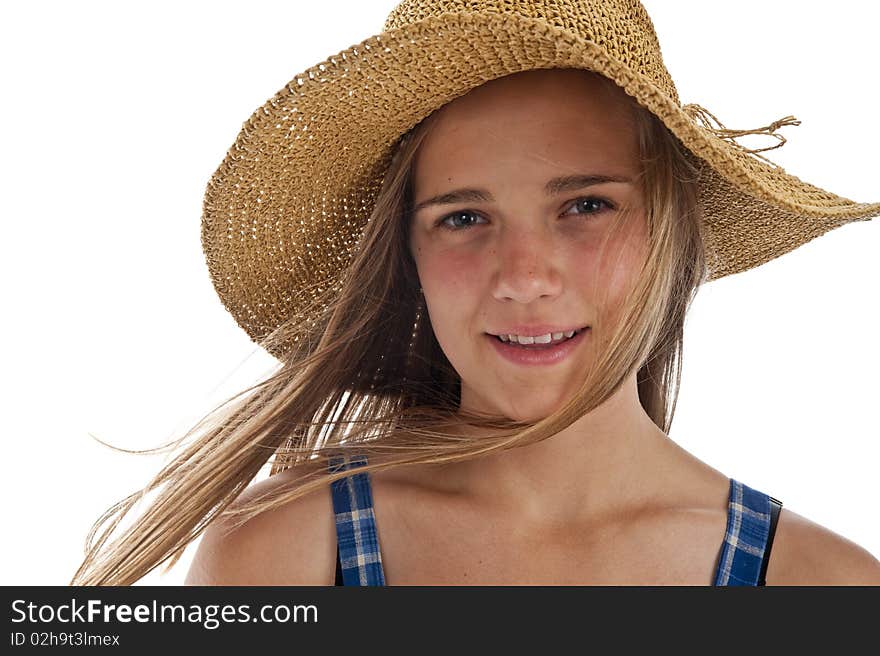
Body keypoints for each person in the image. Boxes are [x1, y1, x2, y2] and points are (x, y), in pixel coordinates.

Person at [71, 0, 880, 586]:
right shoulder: (286, 551)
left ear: (673, 231)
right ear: (407, 257)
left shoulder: (822, 585)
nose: (526, 276)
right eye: (463, 217)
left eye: (586, 206)